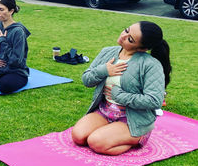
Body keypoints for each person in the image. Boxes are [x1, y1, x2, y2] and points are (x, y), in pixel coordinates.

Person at [71, 21, 171, 155]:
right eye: (126, 30)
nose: (123, 36)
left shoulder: (150, 64)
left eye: (130, 39)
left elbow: (155, 100)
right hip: (105, 111)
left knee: (96, 142)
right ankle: (110, 132)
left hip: (133, 119)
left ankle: (139, 137)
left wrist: (120, 96)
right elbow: (86, 80)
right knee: (78, 137)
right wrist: (104, 70)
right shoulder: (107, 52)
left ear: (142, 48)